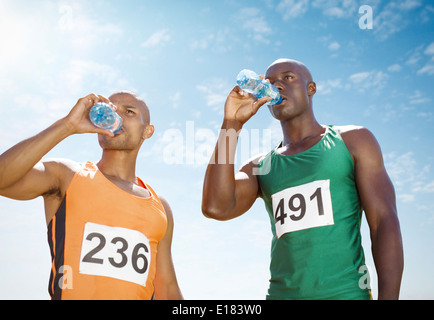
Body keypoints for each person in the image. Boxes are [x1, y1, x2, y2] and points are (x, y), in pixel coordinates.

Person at [202, 58, 404, 300]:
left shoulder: (354, 141)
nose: (277, 86)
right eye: (269, 82)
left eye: (288, 78)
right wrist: (231, 124)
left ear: (311, 89)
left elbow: (383, 222)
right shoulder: (261, 166)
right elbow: (216, 206)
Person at [0, 91, 183, 300]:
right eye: (111, 110)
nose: (118, 116)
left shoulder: (160, 207)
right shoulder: (67, 175)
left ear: (147, 131)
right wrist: (67, 126)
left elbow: (167, 290)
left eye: (129, 111)